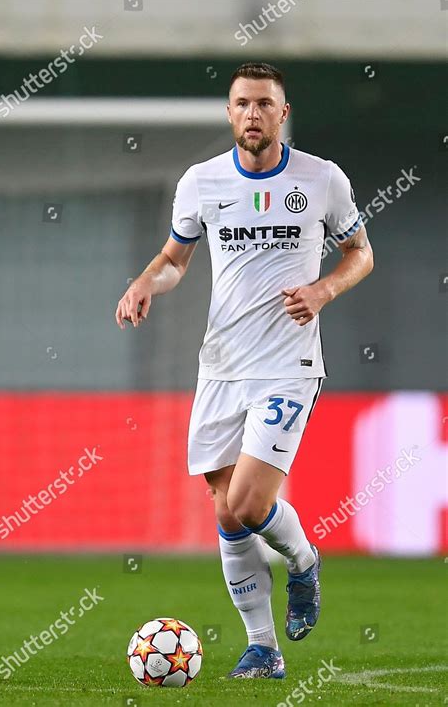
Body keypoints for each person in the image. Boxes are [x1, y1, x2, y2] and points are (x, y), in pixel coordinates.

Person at [115, 62, 374, 679]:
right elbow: (175, 258)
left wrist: (324, 292)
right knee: (226, 512)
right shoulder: (201, 183)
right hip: (222, 367)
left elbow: (360, 253)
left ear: (283, 113)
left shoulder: (321, 180)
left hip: (288, 363)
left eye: (264, 103)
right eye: (241, 103)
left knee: (251, 500)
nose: (252, 113)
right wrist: (147, 282)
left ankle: (305, 562)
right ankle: (264, 649)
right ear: (229, 113)